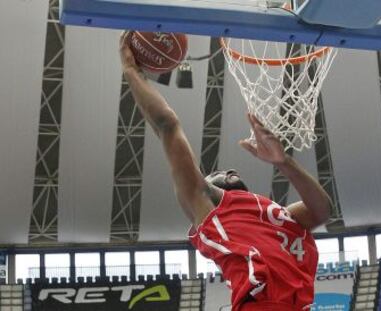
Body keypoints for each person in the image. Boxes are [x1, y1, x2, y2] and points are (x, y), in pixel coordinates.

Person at [119, 31, 332, 311]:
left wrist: (284, 162)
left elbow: (322, 211)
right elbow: (167, 125)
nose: (228, 169)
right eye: (215, 172)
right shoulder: (208, 208)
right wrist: (131, 70)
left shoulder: (278, 215)